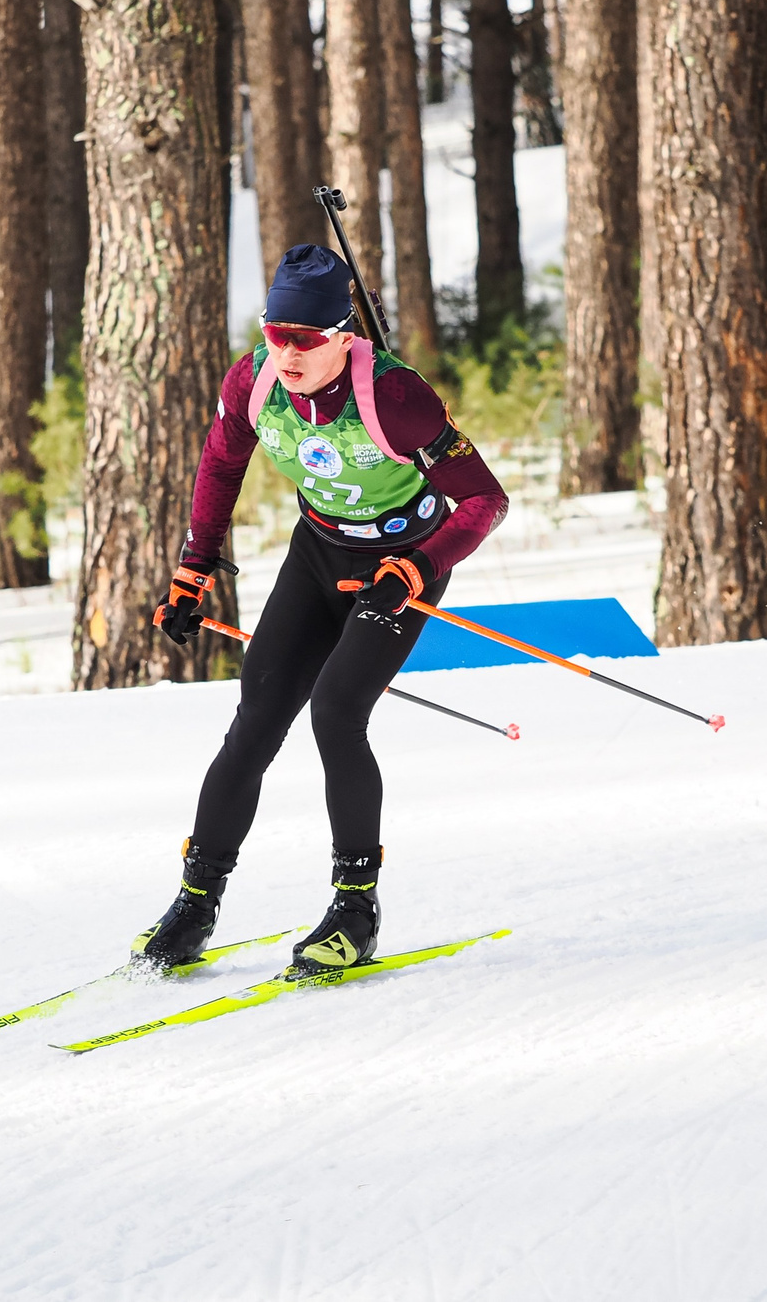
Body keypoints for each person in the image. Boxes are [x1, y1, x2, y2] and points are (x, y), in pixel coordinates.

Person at [136, 244, 510, 976]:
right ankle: (195, 902)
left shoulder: (397, 397)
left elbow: (485, 500)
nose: (288, 351)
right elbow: (220, 462)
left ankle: (355, 909)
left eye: (305, 338)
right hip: (319, 551)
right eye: (277, 333)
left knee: (337, 712)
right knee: (256, 720)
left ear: (344, 334)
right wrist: (193, 565)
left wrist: (418, 566)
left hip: (403, 558)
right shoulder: (253, 379)